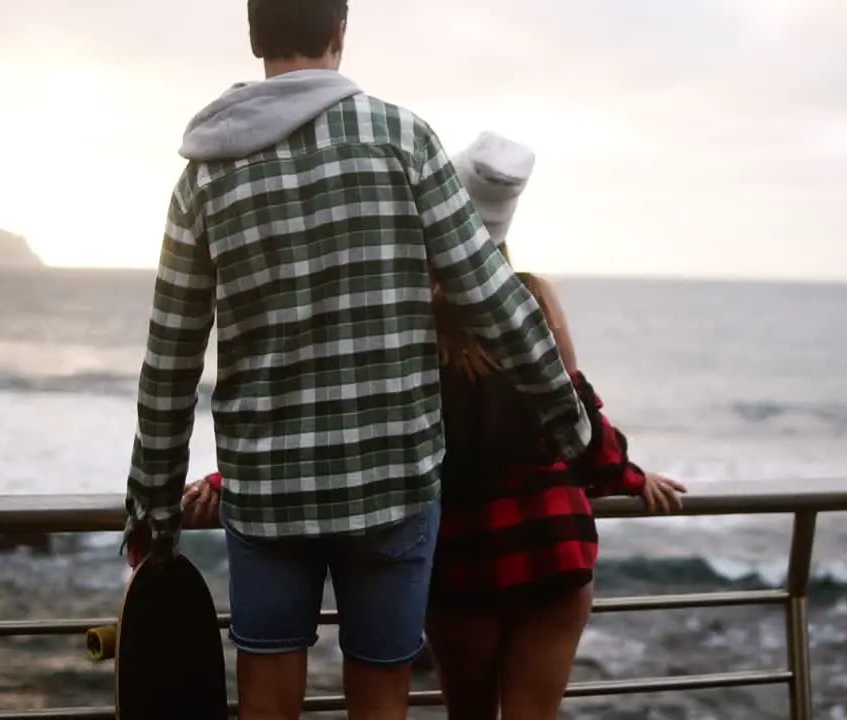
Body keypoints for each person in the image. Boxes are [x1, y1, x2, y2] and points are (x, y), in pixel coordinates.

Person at [121, 2, 591, 719]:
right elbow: (491, 299)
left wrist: (153, 509)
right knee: (381, 695)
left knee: (268, 702)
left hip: (269, 489)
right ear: (340, 33)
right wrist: (568, 418)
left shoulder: (203, 178)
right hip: (393, 485)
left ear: (255, 38)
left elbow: (170, 362)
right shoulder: (403, 139)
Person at [184, 132, 688, 720]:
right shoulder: (533, 298)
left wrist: (232, 479)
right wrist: (627, 476)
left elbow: (348, 417)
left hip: (461, 555)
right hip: (551, 543)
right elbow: (573, 414)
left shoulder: (402, 311)